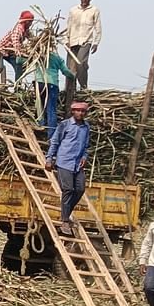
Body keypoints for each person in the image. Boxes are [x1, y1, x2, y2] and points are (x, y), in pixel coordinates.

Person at [45, 101, 91, 236]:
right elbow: (55, 142)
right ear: (73, 112)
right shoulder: (65, 125)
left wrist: (85, 157)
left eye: (83, 112)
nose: (81, 113)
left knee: (80, 189)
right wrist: (49, 159)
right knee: (68, 189)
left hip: (77, 164)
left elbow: (86, 146)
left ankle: (66, 213)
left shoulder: (86, 127)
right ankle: (65, 220)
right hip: (64, 162)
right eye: (78, 111)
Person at [64, 0, 102, 110]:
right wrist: (66, 40)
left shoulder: (94, 11)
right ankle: (70, 90)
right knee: (70, 68)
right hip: (73, 41)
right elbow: (68, 26)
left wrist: (96, 42)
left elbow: (98, 28)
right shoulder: (73, 10)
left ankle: (83, 87)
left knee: (81, 63)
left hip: (86, 41)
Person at [31, 50, 76, 137]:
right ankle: (51, 135)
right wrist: (73, 76)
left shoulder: (36, 54)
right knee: (51, 109)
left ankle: (40, 128)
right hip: (52, 84)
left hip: (39, 83)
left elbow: (19, 61)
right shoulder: (57, 57)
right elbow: (66, 71)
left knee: (40, 107)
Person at [0, 11, 35, 84]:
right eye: (30, 22)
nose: (31, 24)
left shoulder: (26, 31)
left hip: (9, 53)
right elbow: (16, 43)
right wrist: (20, 52)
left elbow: (32, 39)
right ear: (26, 22)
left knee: (19, 67)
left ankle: (17, 86)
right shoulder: (18, 29)